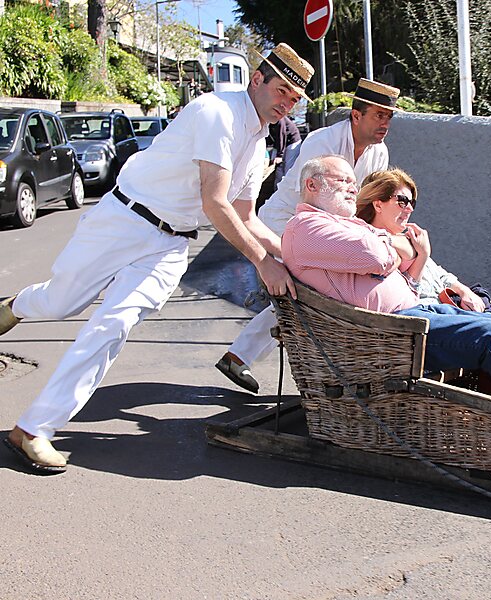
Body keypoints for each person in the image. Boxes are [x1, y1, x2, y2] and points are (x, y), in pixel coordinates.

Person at [0, 43, 314, 474]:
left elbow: (245, 216)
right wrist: (263, 262)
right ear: (256, 80)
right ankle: (18, 304)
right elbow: (215, 203)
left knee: (114, 324)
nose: (286, 104)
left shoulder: (258, 146)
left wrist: (297, 255)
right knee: (60, 303)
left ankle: (34, 429)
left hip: (170, 245)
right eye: (281, 90)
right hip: (124, 218)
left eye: (294, 99)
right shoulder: (217, 113)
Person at [280, 155, 491, 425]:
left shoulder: (344, 226)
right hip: (392, 332)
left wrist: (398, 249)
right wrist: (398, 246)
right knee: (490, 334)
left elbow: (393, 267)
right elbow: (375, 254)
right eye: (342, 180)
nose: (352, 188)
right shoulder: (306, 227)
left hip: (414, 314)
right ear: (312, 185)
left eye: (353, 181)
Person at [216, 79, 403, 394]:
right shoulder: (323, 140)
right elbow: (318, 200)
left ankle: (239, 356)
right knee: (299, 292)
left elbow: (363, 200)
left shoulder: (378, 152)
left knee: (299, 294)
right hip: (288, 222)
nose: (384, 123)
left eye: (389, 117)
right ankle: (249, 359)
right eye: (378, 115)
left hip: (327, 227)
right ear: (356, 116)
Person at [356, 170, 488, 312]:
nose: (410, 209)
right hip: (423, 318)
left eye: (412, 202)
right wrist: (423, 255)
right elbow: (405, 295)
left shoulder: (411, 241)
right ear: (378, 205)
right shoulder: (374, 246)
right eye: (402, 201)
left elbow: (441, 275)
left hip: (448, 313)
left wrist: (464, 291)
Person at [256, 116, 302, 210]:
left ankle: (287, 194)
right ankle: (277, 192)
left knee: (288, 168)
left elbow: (282, 136)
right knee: (277, 168)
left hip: (292, 142)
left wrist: (280, 156)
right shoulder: (265, 121)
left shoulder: (279, 120)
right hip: (278, 145)